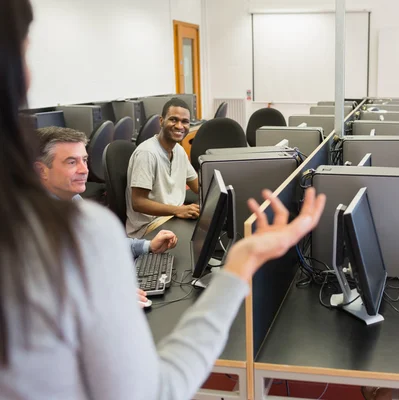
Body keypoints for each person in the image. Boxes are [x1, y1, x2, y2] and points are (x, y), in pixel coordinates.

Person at [0, 4, 326, 400]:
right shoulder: (75, 233)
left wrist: (183, 217)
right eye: (25, 48)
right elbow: (158, 390)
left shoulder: (68, 229)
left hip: (145, 240)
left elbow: (193, 183)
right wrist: (240, 265)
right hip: (150, 226)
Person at [35, 126, 178, 258]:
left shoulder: (72, 199)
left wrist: (148, 246)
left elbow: (102, 243)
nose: (84, 170)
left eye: (84, 160)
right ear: (41, 171)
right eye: (71, 162)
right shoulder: (33, 221)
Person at [126, 97, 201, 238]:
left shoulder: (178, 150)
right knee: (197, 244)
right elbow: (138, 202)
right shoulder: (147, 153)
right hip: (149, 228)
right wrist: (178, 210)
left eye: (185, 121)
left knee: (207, 233)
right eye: (173, 119)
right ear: (161, 121)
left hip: (172, 217)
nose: (180, 126)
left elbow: (198, 187)